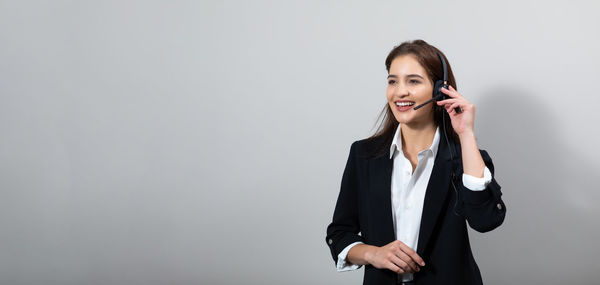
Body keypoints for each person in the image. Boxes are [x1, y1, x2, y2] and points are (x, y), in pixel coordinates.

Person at [325, 39, 506, 285]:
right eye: (392, 81)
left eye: (413, 81)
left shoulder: (466, 156)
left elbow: (486, 221)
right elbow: (339, 233)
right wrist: (374, 254)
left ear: (438, 90)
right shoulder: (364, 155)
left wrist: (465, 134)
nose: (400, 91)